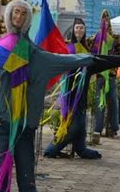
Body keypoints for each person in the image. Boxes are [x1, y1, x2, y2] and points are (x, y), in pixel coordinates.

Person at [0, 0, 119, 192]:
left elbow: (63, 60)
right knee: (2, 152)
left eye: (23, 14)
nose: (18, 18)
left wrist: (89, 59)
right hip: (6, 116)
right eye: (15, 13)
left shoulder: (37, 56)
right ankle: (0, 188)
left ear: (28, 20)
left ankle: (28, 191)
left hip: (27, 119)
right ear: (9, 16)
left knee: (25, 156)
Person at [43, 18, 100, 160]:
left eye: (81, 28)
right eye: (77, 28)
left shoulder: (88, 49)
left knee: (80, 121)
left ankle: (81, 149)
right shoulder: (69, 47)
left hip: (83, 88)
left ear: (85, 30)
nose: (79, 30)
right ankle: (52, 149)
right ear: (73, 30)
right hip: (70, 89)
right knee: (74, 124)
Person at [90, 10, 120, 139]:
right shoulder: (96, 38)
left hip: (112, 75)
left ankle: (114, 127)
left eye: (107, 20)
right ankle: (98, 128)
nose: (105, 22)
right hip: (99, 76)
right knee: (99, 102)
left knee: (113, 101)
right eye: (103, 20)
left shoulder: (114, 39)